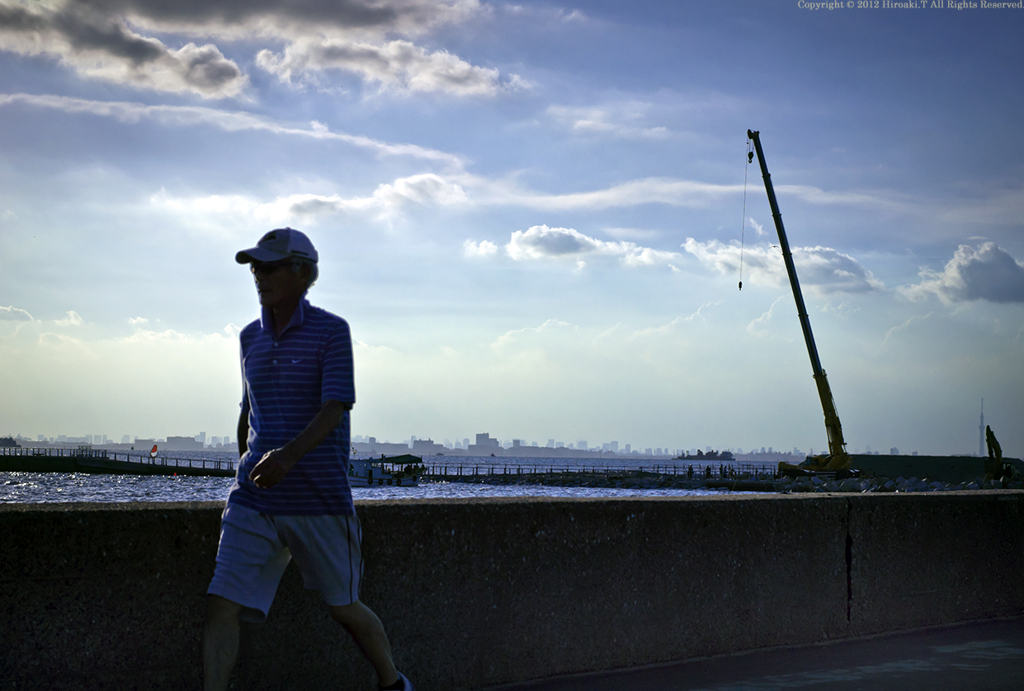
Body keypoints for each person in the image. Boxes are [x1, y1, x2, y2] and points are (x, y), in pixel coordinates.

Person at [203, 228, 413, 691]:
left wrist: (288, 457)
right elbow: (248, 409)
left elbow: (334, 406)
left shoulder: (331, 332)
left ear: (302, 272)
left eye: (270, 265)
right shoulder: (247, 337)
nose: (259, 274)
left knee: (344, 607)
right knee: (221, 604)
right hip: (254, 499)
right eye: (255, 267)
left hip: (318, 500)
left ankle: (393, 683)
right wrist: (247, 465)